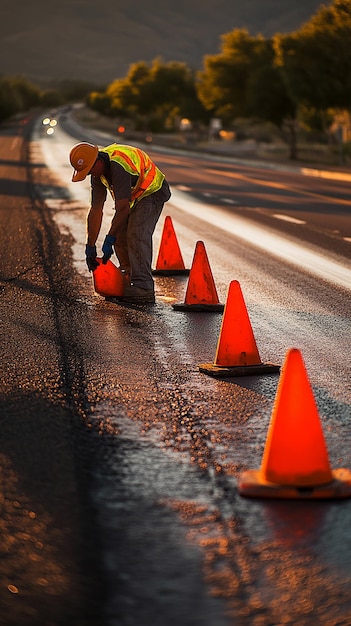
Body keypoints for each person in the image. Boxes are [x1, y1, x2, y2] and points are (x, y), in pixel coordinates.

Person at [69, 141, 171, 303]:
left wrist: (109, 238)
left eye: (90, 171)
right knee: (120, 233)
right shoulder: (97, 173)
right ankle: (128, 275)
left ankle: (144, 287)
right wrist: (90, 245)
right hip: (136, 195)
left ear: (99, 162)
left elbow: (122, 208)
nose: (91, 175)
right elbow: (96, 210)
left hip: (152, 191)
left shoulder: (118, 167)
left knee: (136, 234)